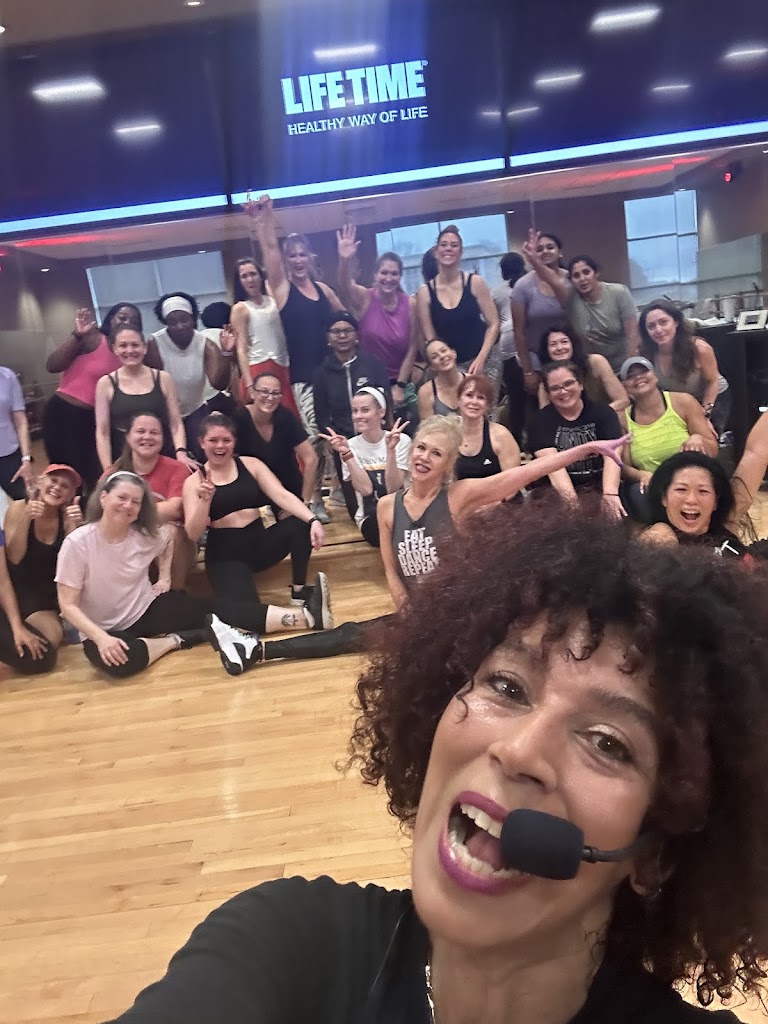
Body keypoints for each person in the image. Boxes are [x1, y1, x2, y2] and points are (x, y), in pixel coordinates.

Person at [106, 498, 768, 1024]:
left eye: (607, 742)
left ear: (656, 854)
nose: (519, 750)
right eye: (507, 686)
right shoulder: (285, 946)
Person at [198, 418, 627, 674]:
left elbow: (521, 475)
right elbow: (392, 567)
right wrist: (406, 605)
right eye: (420, 448)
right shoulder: (388, 506)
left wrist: (588, 449)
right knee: (354, 634)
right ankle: (257, 650)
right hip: (421, 612)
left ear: (448, 464)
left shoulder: (460, 497)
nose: (423, 457)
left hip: (462, 611)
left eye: (436, 454)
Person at [56, 471, 334, 681]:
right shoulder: (78, 543)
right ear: (103, 498)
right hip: (102, 629)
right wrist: (101, 638)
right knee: (120, 662)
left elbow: (168, 536)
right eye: (121, 498)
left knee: (220, 609)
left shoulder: (142, 535)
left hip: (146, 609)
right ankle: (178, 640)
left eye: (135, 502)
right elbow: (67, 605)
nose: (128, 506)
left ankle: (307, 616)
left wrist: (164, 577)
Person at [246, 194, 343, 519]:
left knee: (335, 434)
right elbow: (269, 250)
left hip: (331, 373)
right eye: (292, 255)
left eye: (302, 254)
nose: (298, 260)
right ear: (287, 260)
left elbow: (346, 321)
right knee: (312, 439)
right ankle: (313, 499)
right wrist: (264, 219)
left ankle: (339, 491)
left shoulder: (323, 290)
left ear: (310, 257)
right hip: (303, 377)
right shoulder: (282, 288)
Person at [182, 413, 328, 610]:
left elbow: (281, 495)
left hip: (259, 543)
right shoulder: (193, 482)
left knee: (301, 521)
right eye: (213, 440)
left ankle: (299, 590)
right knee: (248, 612)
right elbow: (193, 533)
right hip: (225, 554)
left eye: (226, 440)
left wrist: (313, 520)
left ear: (234, 441)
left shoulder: (251, 464)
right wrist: (204, 501)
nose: (220, 446)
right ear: (201, 442)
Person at [0, 464, 83, 674]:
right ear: (40, 482)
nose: (57, 487)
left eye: (65, 486)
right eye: (53, 481)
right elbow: (14, 557)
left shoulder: (68, 519)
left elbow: (72, 568)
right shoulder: (18, 507)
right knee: (43, 641)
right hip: (18, 589)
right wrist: (27, 518)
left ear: (71, 494)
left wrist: (77, 530)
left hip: (47, 595)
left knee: (47, 645)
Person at [617, 356, 718, 523]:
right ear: (625, 386)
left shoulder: (684, 401)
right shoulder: (623, 420)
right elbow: (624, 467)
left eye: (644, 371)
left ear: (655, 376)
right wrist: (641, 474)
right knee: (636, 493)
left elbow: (713, 450)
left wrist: (698, 438)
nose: (638, 377)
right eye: (631, 376)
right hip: (655, 486)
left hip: (691, 481)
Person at [43, 304, 130, 494]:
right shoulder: (94, 338)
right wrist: (78, 335)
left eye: (134, 320)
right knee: (65, 473)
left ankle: (89, 510)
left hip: (95, 418)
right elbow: (52, 365)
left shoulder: (128, 352)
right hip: (65, 413)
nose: (127, 322)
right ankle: (66, 511)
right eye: (122, 317)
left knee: (94, 473)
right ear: (110, 318)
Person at [313, 311, 391, 522]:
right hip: (345, 444)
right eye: (336, 331)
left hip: (375, 440)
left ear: (356, 335)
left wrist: (384, 431)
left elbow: (386, 401)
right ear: (328, 337)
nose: (342, 335)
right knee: (355, 508)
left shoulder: (372, 364)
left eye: (347, 330)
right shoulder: (321, 372)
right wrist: (336, 440)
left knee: (385, 495)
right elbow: (321, 413)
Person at [107, 413, 196, 590]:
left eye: (154, 432)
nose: (147, 437)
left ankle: (173, 595)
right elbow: (102, 510)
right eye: (140, 431)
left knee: (169, 531)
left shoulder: (177, 469)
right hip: (124, 542)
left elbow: (174, 508)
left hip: (173, 547)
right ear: (128, 436)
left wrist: (125, 513)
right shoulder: (114, 472)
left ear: (163, 438)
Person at [528, 361, 626, 519]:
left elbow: (612, 456)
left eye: (568, 384)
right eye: (555, 388)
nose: (563, 391)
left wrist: (610, 495)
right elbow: (553, 466)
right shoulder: (539, 422)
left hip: (600, 487)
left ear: (580, 384)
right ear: (548, 393)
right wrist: (573, 506)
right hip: (557, 493)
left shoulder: (604, 413)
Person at [336, 225, 418, 406]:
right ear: (375, 275)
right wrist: (344, 260)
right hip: (367, 380)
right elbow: (344, 285)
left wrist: (400, 385)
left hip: (399, 381)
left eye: (394, 274)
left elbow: (412, 348)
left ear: (400, 277)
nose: (389, 278)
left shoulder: (410, 304)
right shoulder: (365, 297)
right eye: (384, 273)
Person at [148, 292, 236, 458]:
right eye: (172, 322)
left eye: (184, 319)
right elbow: (154, 386)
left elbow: (219, 384)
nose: (180, 326)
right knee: (170, 457)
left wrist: (226, 353)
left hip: (195, 408)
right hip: (165, 412)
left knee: (204, 453)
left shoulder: (205, 344)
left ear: (193, 318)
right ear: (165, 322)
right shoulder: (155, 343)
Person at [94, 326, 193, 473]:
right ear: (115, 349)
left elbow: (176, 423)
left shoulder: (163, 378)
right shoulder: (105, 383)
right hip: (123, 456)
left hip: (161, 450)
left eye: (135, 345)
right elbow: (103, 432)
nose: (130, 351)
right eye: (123, 346)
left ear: (144, 348)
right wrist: (108, 469)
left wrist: (181, 452)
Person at [320, 389, 411, 547]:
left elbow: (393, 488)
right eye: (355, 411)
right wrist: (347, 454)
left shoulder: (401, 440)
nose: (358, 416)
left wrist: (390, 451)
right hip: (370, 517)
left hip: (402, 512)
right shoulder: (349, 445)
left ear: (381, 412)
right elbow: (366, 490)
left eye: (365, 410)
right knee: (384, 529)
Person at [416, 225, 500, 385]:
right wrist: (446, 364)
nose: (448, 249)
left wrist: (481, 358)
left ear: (461, 252)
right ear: (436, 252)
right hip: (449, 362)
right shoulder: (424, 293)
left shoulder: (475, 282)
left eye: (454, 245)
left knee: (482, 400)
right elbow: (432, 340)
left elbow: (494, 323)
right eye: (444, 245)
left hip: (484, 356)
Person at [639, 300, 730, 433]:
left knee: (704, 435)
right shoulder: (645, 354)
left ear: (676, 322)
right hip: (680, 402)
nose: (658, 330)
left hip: (711, 398)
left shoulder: (699, 348)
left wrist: (705, 416)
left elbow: (713, 382)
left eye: (663, 322)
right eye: (651, 326)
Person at [232, 372, 318, 509]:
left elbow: (311, 458)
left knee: (298, 521)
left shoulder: (286, 417)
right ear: (252, 393)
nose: (270, 398)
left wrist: (305, 501)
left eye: (275, 393)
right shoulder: (238, 419)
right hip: (251, 490)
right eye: (264, 392)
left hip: (287, 488)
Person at [641, 451, 749, 557]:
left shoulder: (730, 547)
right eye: (681, 489)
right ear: (664, 498)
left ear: (716, 502)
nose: (691, 500)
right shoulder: (654, 540)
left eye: (703, 491)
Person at [229, 259, 298, 417]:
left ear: (260, 276)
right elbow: (241, 349)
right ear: (239, 281)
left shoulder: (274, 301)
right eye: (244, 276)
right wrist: (249, 384)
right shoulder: (240, 308)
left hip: (283, 366)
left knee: (290, 417)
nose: (250, 279)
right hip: (257, 368)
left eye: (253, 274)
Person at [511, 230, 570, 398]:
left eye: (550, 247)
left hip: (570, 354)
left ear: (560, 252)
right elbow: (519, 332)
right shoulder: (522, 286)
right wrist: (528, 371)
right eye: (539, 249)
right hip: (537, 359)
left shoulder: (572, 279)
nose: (545, 251)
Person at [537, 322, 628, 413]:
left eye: (564, 342)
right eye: (553, 344)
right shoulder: (546, 380)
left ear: (573, 344)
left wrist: (599, 416)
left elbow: (622, 400)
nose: (559, 348)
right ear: (547, 350)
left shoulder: (596, 362)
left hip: (604, 415)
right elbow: (545, 416)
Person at [455, 375, 521, 481]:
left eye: (480, 397)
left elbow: (513, 482)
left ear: (488, 405)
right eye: (469, 395)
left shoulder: (501, 435)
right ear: (458, 400)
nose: (474, 401)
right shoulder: (447, 434)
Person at [492, 252, 527, 445]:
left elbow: (491, 322)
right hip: (529, 340)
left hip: (507, 344)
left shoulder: (497, 291)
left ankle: (517, 443)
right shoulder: (530, 283)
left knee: (515, 397)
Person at [417, 338, 465, 420]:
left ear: (454, 353)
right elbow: (427, 426)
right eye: (434, 357)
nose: (442, 356)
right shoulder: (425, 392)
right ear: (431, 366)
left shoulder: (473, 382)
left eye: (444, 351)